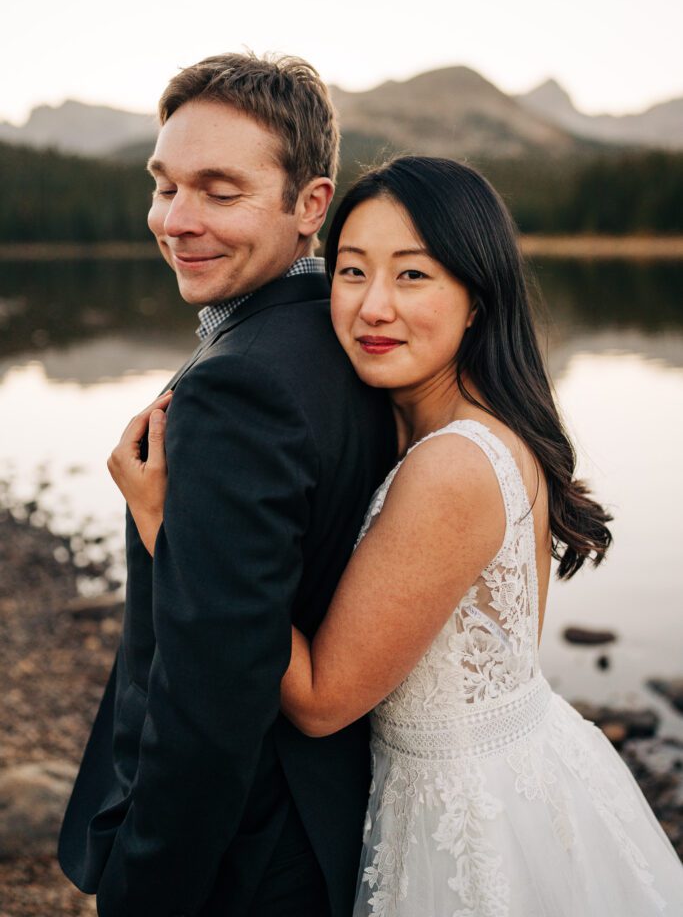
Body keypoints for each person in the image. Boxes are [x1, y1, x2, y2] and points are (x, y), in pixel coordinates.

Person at [121, 155, 683, 915]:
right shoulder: (468, 423)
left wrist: (172, 530)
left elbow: (321, 701)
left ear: (476, 295)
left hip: (468, 814)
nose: (372, 307)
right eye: (351, 273)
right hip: (502, 771)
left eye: (412, 276)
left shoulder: (450, 467)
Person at [57, 52, 396, 917]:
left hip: (241, 861)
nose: (176, 219)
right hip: (318, 822)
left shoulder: (241, 384)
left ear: (309, 204)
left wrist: (145, 885)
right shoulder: (340, 340)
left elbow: (210, 698)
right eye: (164, 184)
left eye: (219, 190)